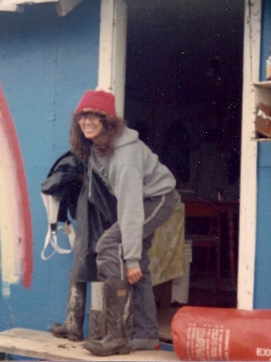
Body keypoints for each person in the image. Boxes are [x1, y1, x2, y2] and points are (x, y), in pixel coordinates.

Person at [69, 90, 178, 356]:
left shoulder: (124, 157)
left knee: (111, 246)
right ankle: (147, 334)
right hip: (139, 203)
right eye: (83, 117)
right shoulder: (97, 147)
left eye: (95, 117)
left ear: (108, 122)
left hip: (157, 199)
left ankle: (117, 337)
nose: (87, 122)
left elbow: (131, 209)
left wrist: (129, 257)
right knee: (137, 265)